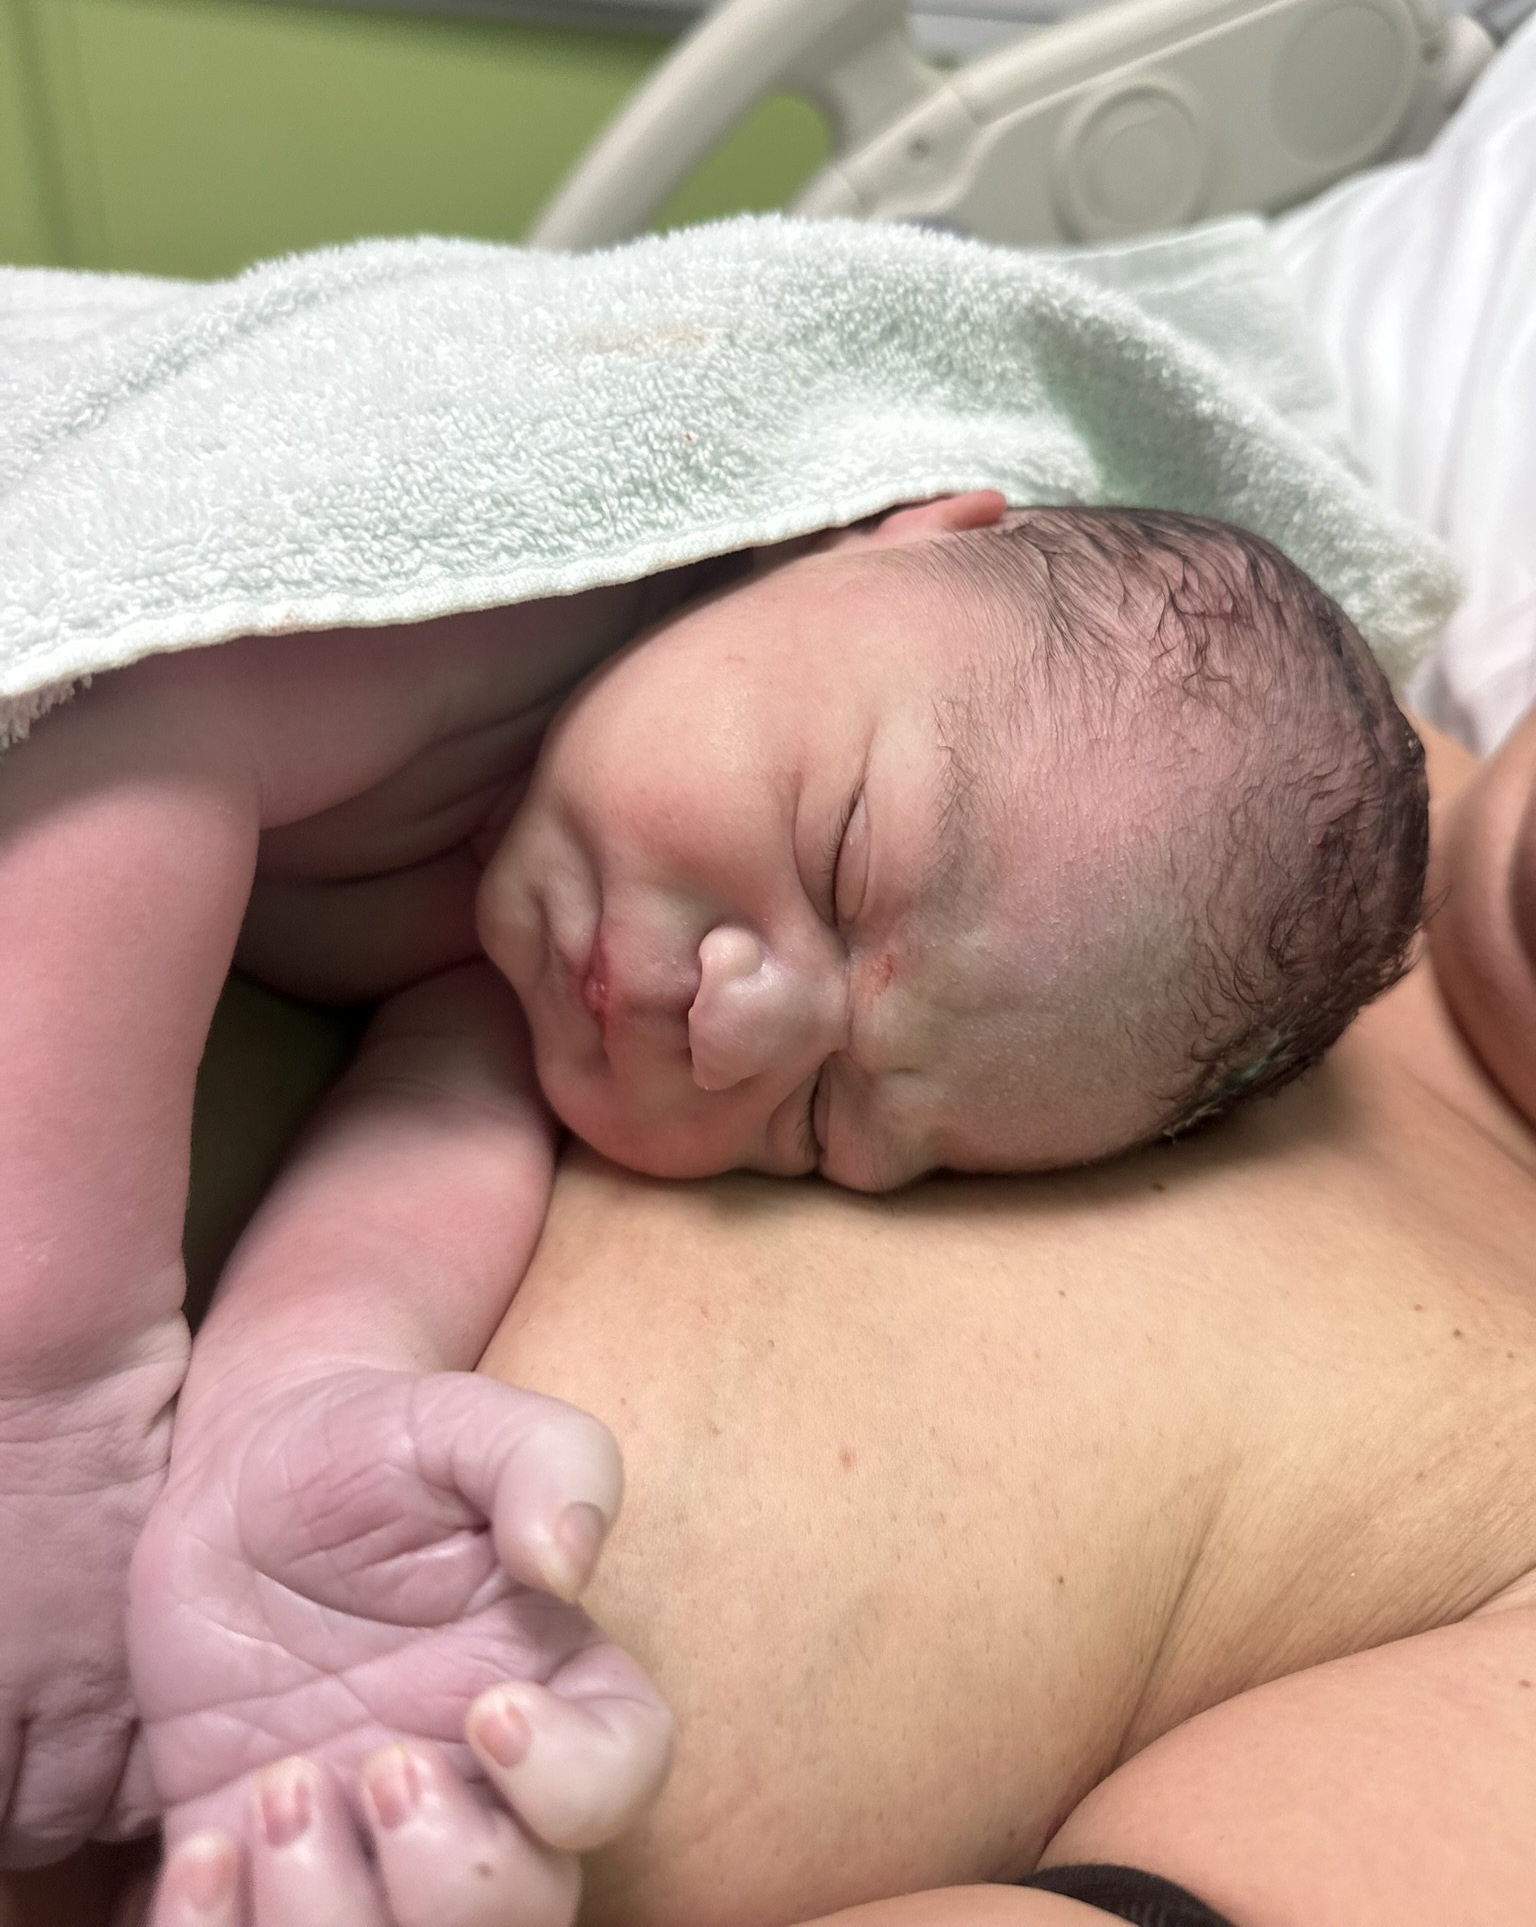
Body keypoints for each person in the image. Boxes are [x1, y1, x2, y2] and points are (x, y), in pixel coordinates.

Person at [0, 488, 1425, 1875]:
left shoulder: (538, 976)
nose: (735, 1029)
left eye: (824, 1115)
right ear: (894, 540)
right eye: (842, 856)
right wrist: (55, 1413)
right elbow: (133, 758)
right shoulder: (511, 619)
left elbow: (419, 1158)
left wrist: (291, 1430)